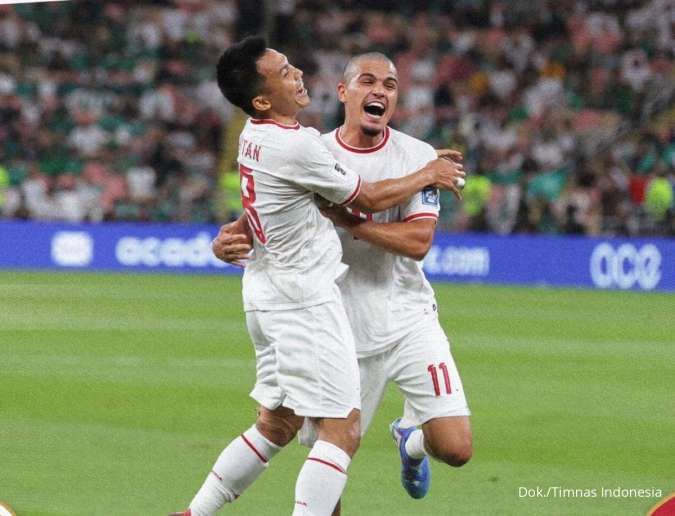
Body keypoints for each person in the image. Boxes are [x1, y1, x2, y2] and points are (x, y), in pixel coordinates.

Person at [173, 38, 465, 516]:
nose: (297, 74)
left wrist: (229, 235)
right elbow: (364, 198)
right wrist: (427, 172)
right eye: (285, 72)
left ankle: (195, 512)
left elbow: (276, 197)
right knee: (340, 430)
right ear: (345, 91)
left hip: (271, 293)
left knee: (276, 425)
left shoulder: (257, 134)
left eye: (292, 65)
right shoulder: (301, 146)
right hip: (305, 300)